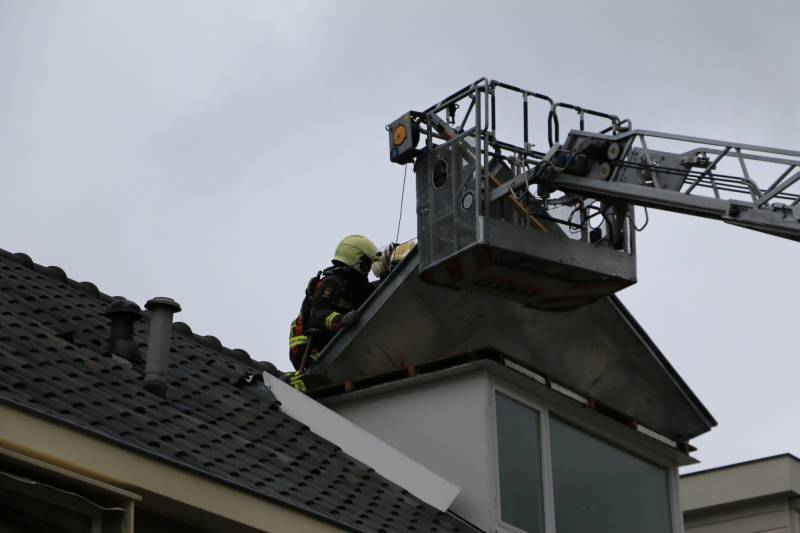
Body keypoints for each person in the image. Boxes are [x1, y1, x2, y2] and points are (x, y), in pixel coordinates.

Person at [288, 235, 390, 387]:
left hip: (329, 344)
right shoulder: (333, 282)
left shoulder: (355, 286)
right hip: (308, 349)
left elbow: (371, 295)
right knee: (315, 381)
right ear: (357, 261)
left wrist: (388, 276)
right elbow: (318, 314)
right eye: (367, 264)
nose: (368, 270)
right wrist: (340, 320)